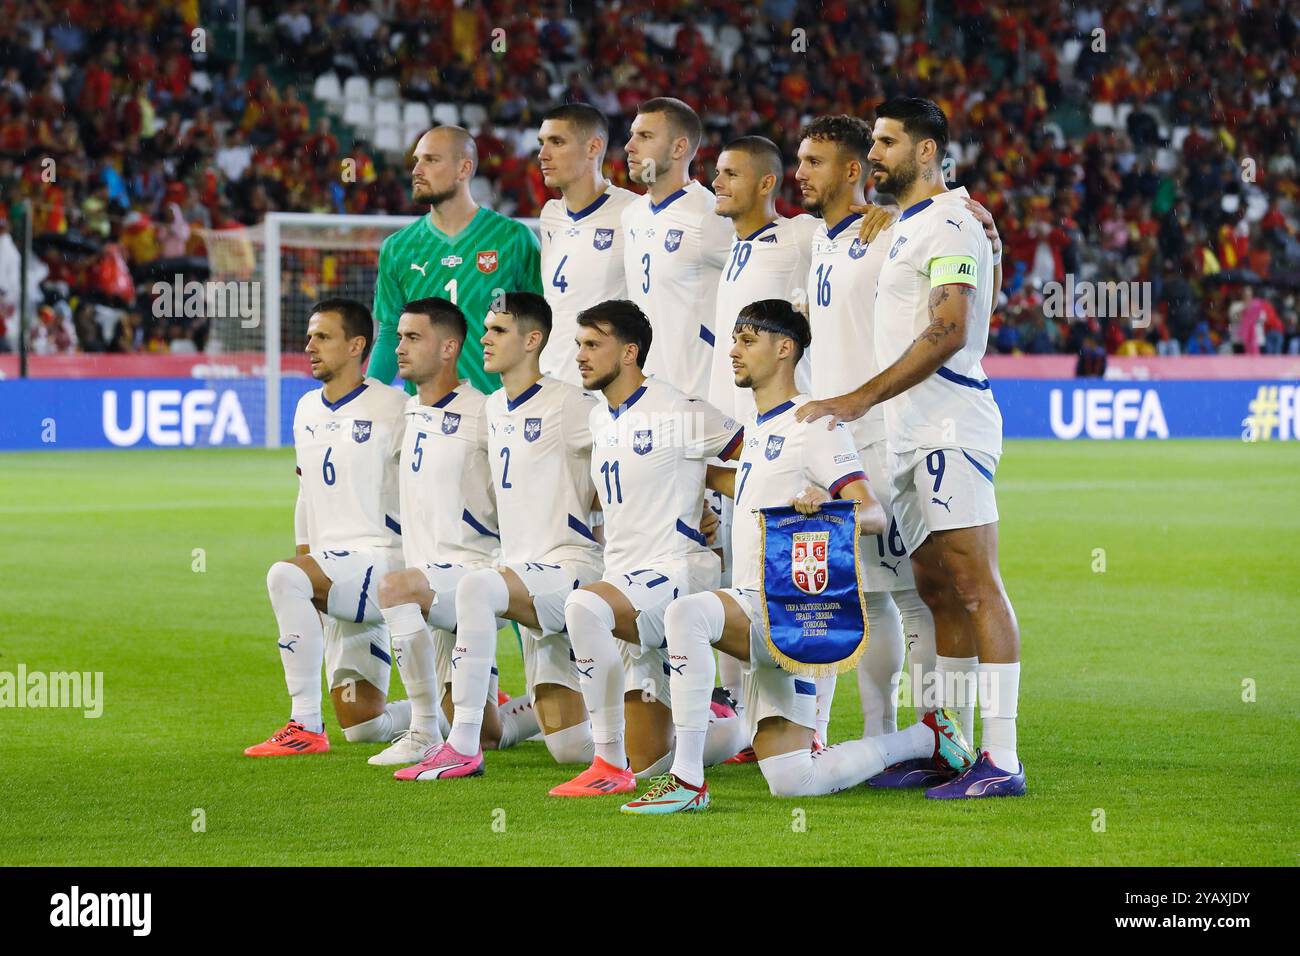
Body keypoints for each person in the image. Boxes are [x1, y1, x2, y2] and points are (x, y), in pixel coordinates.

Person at [621, 300, 975, 813]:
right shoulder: (760, 426)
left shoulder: (814, 424)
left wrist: (827, 505)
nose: (734, 350)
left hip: (784, 608)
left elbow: (872, 513)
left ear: (784, 348)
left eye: (748, 340)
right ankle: (926, 738)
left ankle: (688, 779)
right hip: (764, 613)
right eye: (734, 339)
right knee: (794, 780)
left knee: (685, 614)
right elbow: (753, 488)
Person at [796, 97, 1027, 798]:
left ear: (926, 151)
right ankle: (949, 743)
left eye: (887, 143)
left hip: (947, 427)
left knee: (975, 585)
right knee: (935, 591)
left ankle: (1002, 757)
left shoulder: (951, 221)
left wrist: (859, 397)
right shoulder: (907, 226)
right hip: (907, 436)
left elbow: (949, 328)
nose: (874, 155)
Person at [394, 293, 600, 780]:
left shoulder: (571, 403)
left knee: (478, 587)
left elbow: (625, 459)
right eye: (486, 328)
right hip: (523, 572)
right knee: (570, 748)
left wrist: (695, 506)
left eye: (498, 330)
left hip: (568, 566)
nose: (484, 338)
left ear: (532, 340)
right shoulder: (492, 408)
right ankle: (719, 726)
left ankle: (460, 747)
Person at [553, 300, 747, 797]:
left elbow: (758, 459)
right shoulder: (601, 418)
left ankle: (606, 763)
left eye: (593, 344)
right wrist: (695, 482)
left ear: (629, 352)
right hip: (624, 578)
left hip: (676, 572)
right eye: (578, 344)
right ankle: (738, 728)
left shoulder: (678, 409)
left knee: (582, 605)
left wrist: (715, 500)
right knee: (651, 758)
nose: (580, 355)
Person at [369, 297, 539, 766]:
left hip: (474, 575)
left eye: (413, 337)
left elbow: (530, 484)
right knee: (487, 733)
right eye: (399, 337)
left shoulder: (485, 413)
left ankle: (422, 731)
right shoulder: (407, 413)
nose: (399, 347)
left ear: (448, 348)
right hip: (429, 581)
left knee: (395, 588)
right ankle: (553, 710)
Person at [244, 298, 413, 756]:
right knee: (364, 725)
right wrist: (307, 557)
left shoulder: (395, 408)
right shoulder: (305, 409)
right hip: (334, 572)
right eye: (309, 336)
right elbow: (307, 492)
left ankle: (304, 724)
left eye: (323, 336)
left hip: (382, 565)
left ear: (356, 345)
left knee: (283, 575)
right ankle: (437, 712)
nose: (309, 346)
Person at [705, 134, 819, 731]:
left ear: (767, 183)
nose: (717, 182)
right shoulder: (732, 248)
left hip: (788, 439)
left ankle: (814, 726)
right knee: (739, 580)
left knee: (799, 587)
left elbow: (858, 232)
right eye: (717, 172)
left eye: (730, 173)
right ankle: (749, 719)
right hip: (742, 440)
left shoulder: (798, 236)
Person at [367, 126, 543, 393]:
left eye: (431, 160)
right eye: (417, 160)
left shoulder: (514, 239)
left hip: (496, 407)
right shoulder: (397, 247)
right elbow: (391, 332)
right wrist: (367, 399)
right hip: (426, 411)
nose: (417, 170)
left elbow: (540, 327)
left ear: (464, 169)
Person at [621, 97, 734, 399]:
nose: (629, 146)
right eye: (632, 135)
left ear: (679, 148)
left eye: (645, 136)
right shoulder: (632, 214)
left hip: (699, 397)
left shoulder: (711, 216)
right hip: (645, 393)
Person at [536, 104, 638, 385]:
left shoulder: (632, 213)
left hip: (607, 385)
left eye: (557, 142)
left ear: (593, 147)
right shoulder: (550, 214)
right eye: (542, 142)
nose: (543, 154)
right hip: (553, 378)